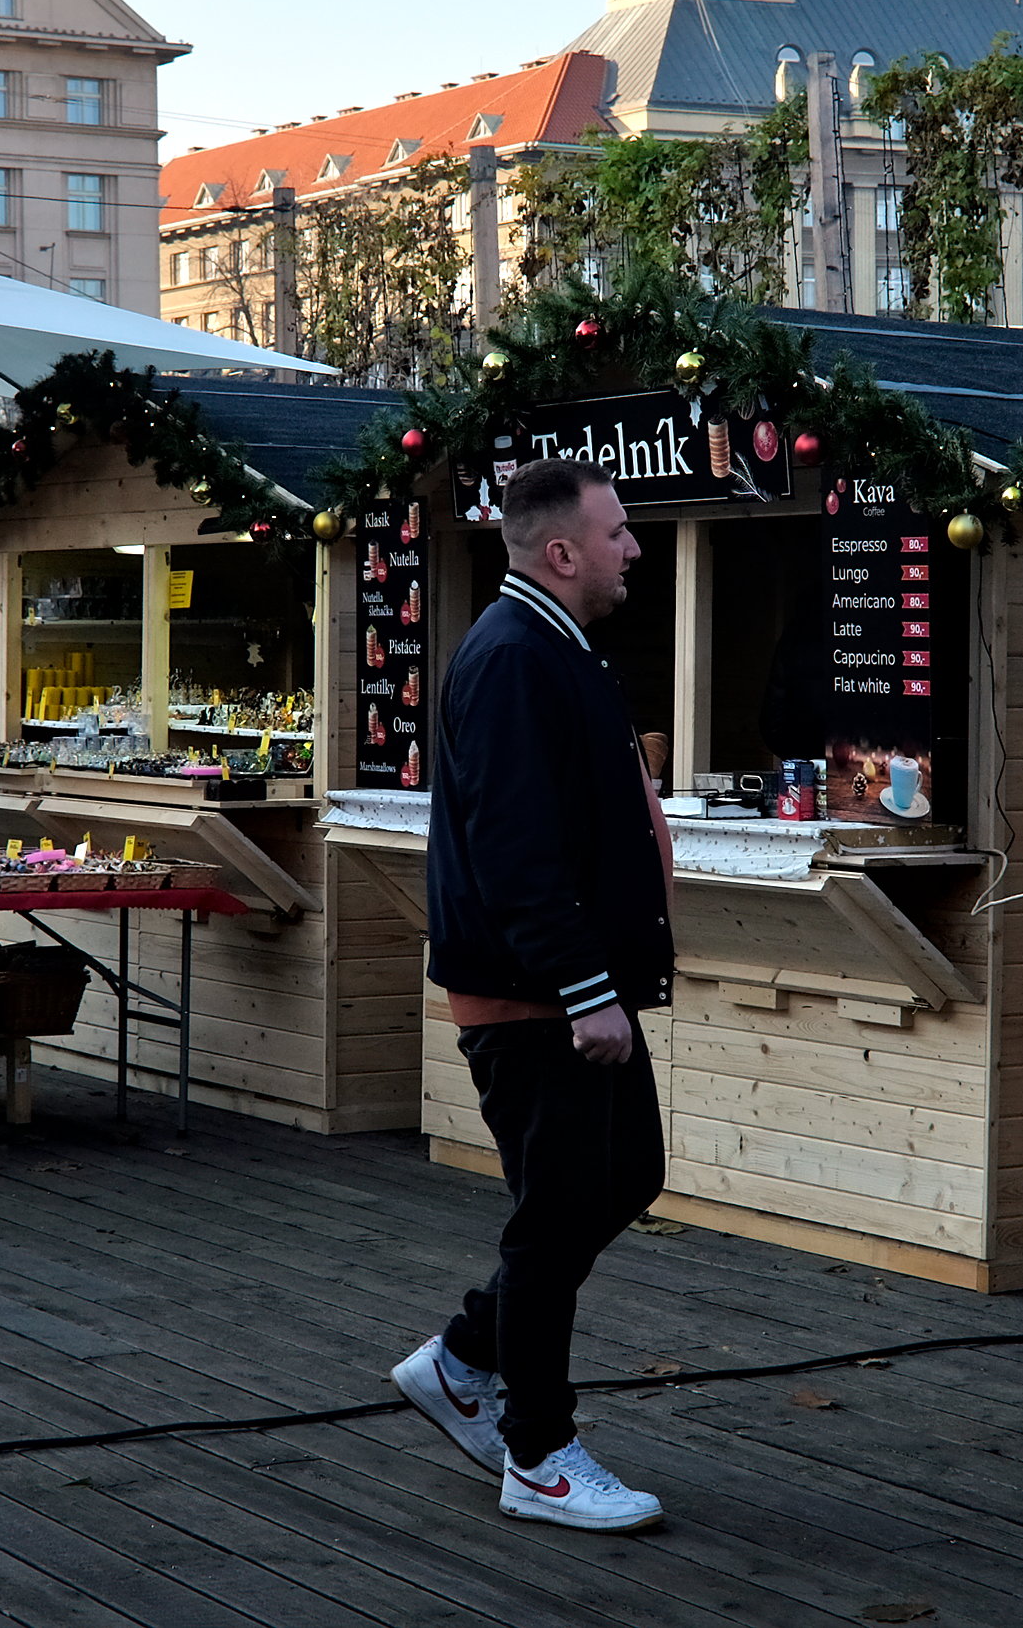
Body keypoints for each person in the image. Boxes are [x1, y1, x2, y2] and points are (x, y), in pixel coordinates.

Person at [392, 456, 674, 1534]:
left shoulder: (555, 646)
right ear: (561, 552)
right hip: (539, 999)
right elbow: (516, 848)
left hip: (574, 992)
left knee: (623, 1175)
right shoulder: (514, 656)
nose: (632, 548)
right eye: (617, 533)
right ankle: (538, 1453)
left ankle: (464, 1357)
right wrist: (584, 988)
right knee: (553, 1218)